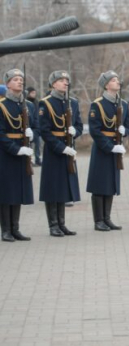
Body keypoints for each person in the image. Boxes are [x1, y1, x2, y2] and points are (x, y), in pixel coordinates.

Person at [39, 71, 83, 237]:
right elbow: (45, 131)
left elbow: (79, 125)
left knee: (64, 187)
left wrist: (75, 132)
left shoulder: (73, 102)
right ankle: (53, 225)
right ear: (53, 84)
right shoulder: (46, 103)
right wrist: (61, 148)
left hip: (69, 148)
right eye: (61, 80)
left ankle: (62, 224)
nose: (65, 83)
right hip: (54, 151)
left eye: (66, 80)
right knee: (53, 188)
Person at [86, 71, 129, 231]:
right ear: (106, 85)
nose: (118, 82)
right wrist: (110, 147)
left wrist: (124, 131)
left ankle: (107, 218)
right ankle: (98, 220)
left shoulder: (124, 104)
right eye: (113, 80)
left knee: (111, 184)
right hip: (102, 150)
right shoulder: (97, 104)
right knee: (99, 184)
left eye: (118, 79)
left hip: (117, 148)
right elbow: (95, 130)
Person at [0, 69, 36, 242]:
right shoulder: (2, 105)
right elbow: (0, 134)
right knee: (7, 193)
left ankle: (15, 228)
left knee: (19, 192)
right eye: (15, 79)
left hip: (24, 152)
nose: (19, 82)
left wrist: (32, 135)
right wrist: (16, 149)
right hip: (7, 155)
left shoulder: (28, 106)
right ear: (7, 84)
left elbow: (36, 127)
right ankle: (5, 230)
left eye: (21, 79)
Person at [26, 86, 42, 166]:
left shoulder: (36, 102)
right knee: (29, 145)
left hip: (36, 127)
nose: (34, 94)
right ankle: (30, 160)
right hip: (29, 127)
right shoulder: (26, 102)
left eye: (35, 93)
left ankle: (37, 159)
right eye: (32, 93)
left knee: (38, 145)